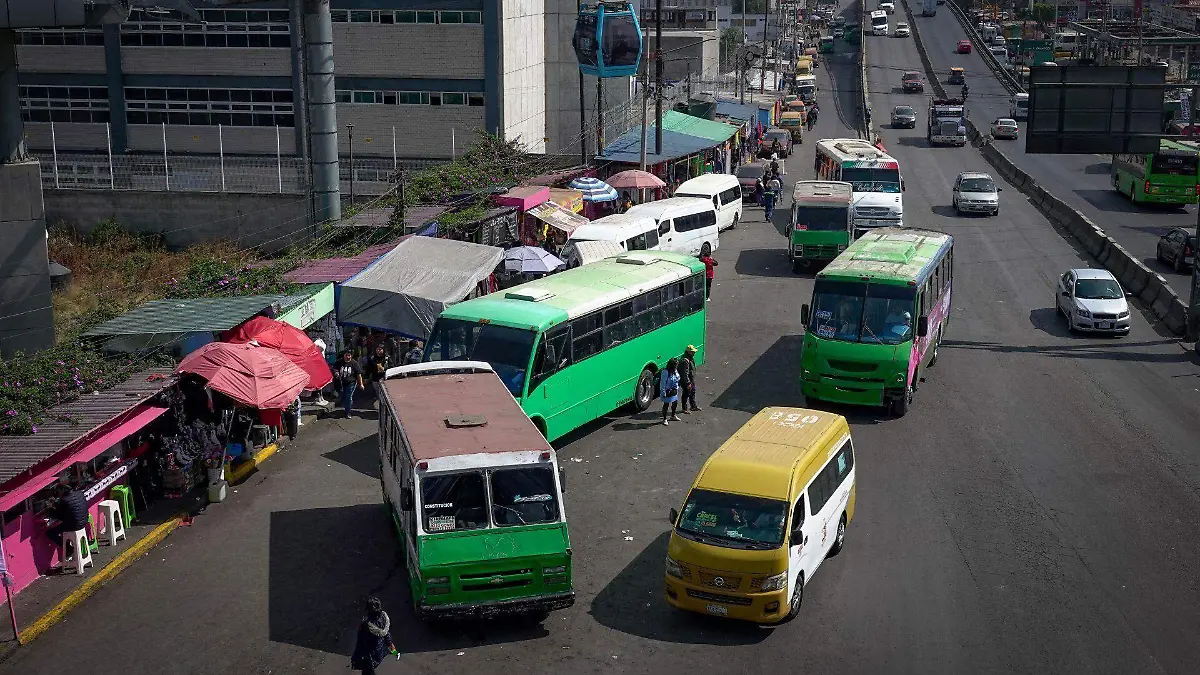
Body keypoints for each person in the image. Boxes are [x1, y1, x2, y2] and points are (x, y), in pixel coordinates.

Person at [350, 597, 396, 675]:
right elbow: (386, 634)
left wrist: (355, 657)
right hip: (379, 651)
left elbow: (360, 643)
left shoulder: (366, 625)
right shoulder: (384, 617)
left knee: (368, 672)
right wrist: (392, 646)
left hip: (369, 655)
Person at [46, 479, 88, 547]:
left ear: (61, 492)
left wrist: (50, 507)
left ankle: (68, 548)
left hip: (75, 525)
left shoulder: (65, 500)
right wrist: (56, 504)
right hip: (85, 520)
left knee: (50, 533)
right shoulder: (79, 493)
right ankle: (68, 545)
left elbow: (57, 515)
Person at [334, 350, 364, 418]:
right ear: (343, 355)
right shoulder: (339, 362)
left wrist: (361, 384)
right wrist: (336, 372)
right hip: (341, 383)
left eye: (349, 355)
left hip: (351, 383)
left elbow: (359, 374)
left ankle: (348, 412)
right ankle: (346, 406)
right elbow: (334, 369)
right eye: (346, 355)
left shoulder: (354, 363)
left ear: (351, 356)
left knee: (348, 397)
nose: (348, 357)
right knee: (343, 396)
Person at [678, 345, 700, 413]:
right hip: (686, 381)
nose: (694, 353)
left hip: (691, 379)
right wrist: (688, 383)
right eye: (693, 352)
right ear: (689, 352)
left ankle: (693, 406)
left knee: (692, 392)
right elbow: (685, 373)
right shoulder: (685, 361)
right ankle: (684, 408)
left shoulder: (690, 358)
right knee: (686, 394)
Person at [660, 358, 681, 426]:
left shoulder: (675, 371)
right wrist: (663, 392)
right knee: (666, 405)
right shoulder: (665, 372)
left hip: (674, 389)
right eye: (676, 365)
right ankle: (664, 419)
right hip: (667, 391)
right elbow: (663, 383)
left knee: (675, 403)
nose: (677, 366)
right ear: (672, 365)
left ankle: (673, 415)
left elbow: (678, 378)